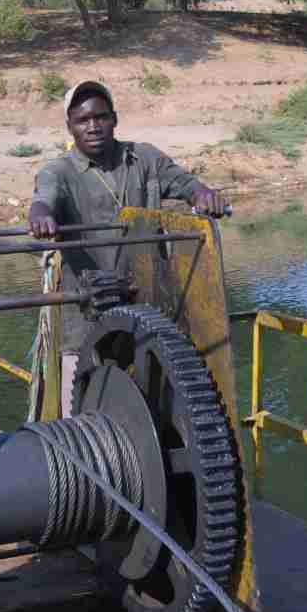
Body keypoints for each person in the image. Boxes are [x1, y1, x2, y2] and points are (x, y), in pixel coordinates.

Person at [28, 80, 230, 414]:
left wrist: (203, 195)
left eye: (101, 117)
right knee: (81, 416)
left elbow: (186, 184)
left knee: (157, 413)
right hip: (86, 317)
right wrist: (40, 215)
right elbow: (43, 198)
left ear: (114, 119)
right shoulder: (59, 171)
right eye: (82, 120)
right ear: (70, 127)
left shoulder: (145, 158)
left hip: (149, 311)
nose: (93, 126)